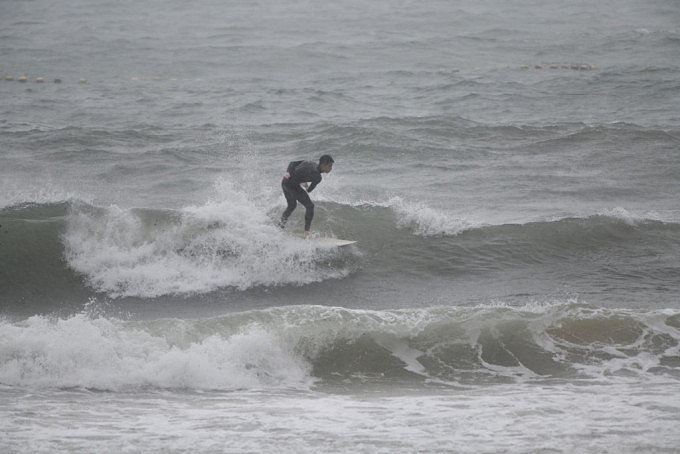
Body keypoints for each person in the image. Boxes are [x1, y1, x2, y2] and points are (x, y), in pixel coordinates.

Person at [280, 154, 334, 237]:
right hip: (290, 184)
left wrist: (304, 184)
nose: (331, 168)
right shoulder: (314, 172)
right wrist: (288, 172)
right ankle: (306, 232)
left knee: (292, 206)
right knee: (310, 206)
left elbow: (309, 190)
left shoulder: (312, 166)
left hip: (285, 183)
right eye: (330, 166)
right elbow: (293, 164)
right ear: (323, 165)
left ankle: (280, 227)